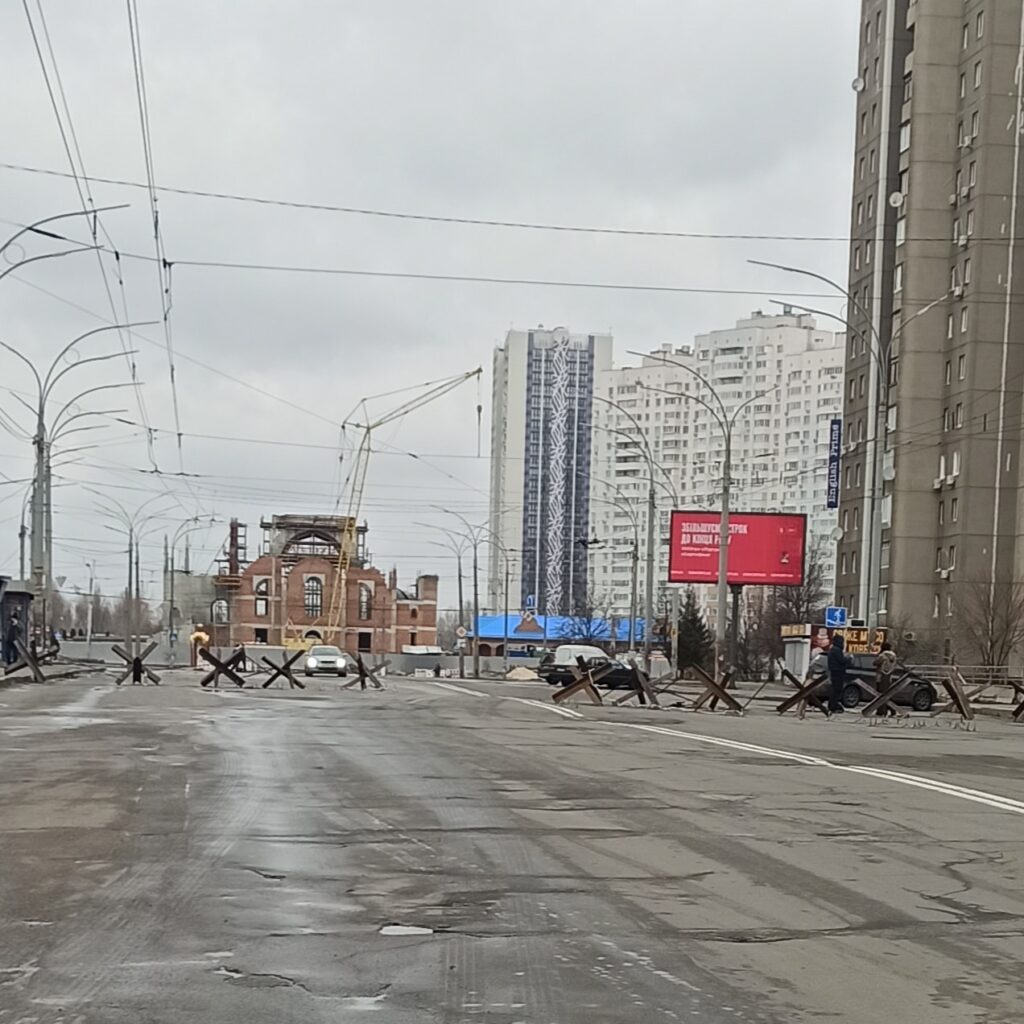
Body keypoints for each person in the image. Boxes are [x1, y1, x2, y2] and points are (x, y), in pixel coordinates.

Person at [826, 633, 853, 714]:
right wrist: (848, 658)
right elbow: (841, 660)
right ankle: (833, 706)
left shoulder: (833, 649)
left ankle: (833, 705)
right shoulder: (836, 650)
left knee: (835, 689)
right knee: (837, 690)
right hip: (838, 672)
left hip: (835, 671)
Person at [873, 641, 898, 716]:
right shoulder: (893, 656)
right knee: (888, 694)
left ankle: (881, 711)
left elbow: (875, 663)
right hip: (889, 677)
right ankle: (892, 709)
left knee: (880, 694)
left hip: (880, 677)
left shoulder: (882, 656)